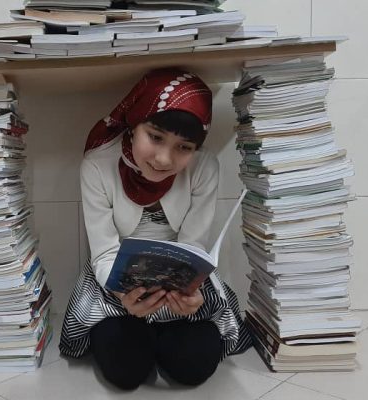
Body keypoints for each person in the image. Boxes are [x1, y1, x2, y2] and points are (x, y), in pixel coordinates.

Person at [59, 68, 251, 390]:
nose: (164, 159)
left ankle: (166, 329)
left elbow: (193, 244)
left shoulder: (204, 166)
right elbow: (104, 252)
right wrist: (124, 295)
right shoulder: (97, 164)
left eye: (184, 147)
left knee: (194, 365)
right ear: (134, 124)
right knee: (125, 371)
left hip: (179, 288)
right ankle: (141, 330)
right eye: (156, 137)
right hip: (115, 283)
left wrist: (189, 294)